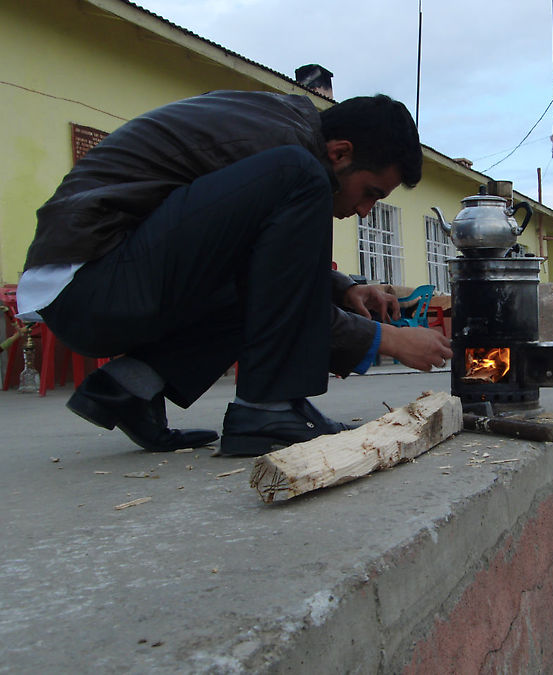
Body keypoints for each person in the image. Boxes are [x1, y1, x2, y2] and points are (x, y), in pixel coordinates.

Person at [17, 90, 452, 457]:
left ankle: (131, 389)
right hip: (91, 282)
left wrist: (342, 288)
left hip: (98, 283)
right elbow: (266, 277)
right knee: (301, 177)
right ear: (340, 152)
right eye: (370, 194)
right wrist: (386, 339)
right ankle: (268, 409)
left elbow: (248, 257)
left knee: (278, 218)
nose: (363, 211)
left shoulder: (282, 131)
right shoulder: (292, 155)